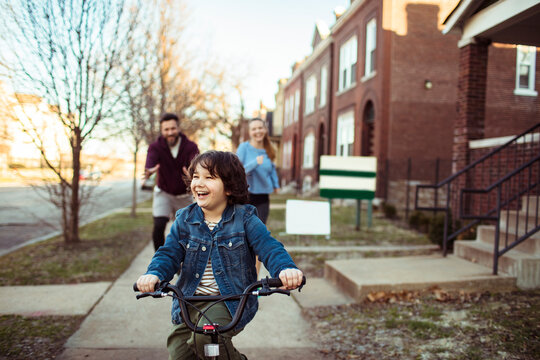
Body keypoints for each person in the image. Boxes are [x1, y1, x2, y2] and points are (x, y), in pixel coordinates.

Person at [136, 151, 303, 360]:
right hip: (189, 300)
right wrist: (155, 274)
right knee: (179, 352)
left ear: (230, 187)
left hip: (229, 300)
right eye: (196, 176)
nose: (199, 182)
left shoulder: (245, 219)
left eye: (209, 177)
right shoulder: (184, 220)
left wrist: (286, 269)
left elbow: (269, 247)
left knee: (205, 337)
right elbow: (168, 254)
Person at [144, 113, 199, 251]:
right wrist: (150, 170)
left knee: (185, 231)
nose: (170, 132)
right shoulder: (155, 147)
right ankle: (161, 262)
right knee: (159, 225)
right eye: (166, 129)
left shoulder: (190, 146)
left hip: (184, 194)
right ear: (162, 131)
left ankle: (181, 262)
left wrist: (192, 173)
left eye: (173, 129)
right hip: (164, 192)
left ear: (178, 128)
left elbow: (196, 163)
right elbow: (150, 161)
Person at [236, 117, 280, 274]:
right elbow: (237, 170)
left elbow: (272, 169)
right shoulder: (244, 148)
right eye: (254, 129)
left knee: (258, 236)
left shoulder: (269, 148)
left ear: (265, 130)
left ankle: (253, 278)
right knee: (242, 236)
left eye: (260, 128)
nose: (257, 131)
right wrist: (255, 163)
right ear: (250, 132)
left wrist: (276, 184)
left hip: (262, 197)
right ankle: (239, 273)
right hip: (245, 195)